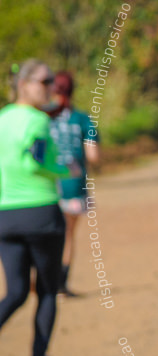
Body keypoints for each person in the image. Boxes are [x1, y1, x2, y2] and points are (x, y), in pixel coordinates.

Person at [0, 60, 75, 356]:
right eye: (45, 82)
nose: (51, 88)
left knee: (15, 292)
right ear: (25, 84)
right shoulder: (37, 121)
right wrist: (66, 169)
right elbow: (34, 162)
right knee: (46, 290)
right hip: (40, 212)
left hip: (6, 215)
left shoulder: (2, 119)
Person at [48, 71, 100, 296]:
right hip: (73, 185)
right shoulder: (82, 118)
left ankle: (42, 279)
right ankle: (61, 283)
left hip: (47, 185)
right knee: (67, 235)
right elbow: (93, 156)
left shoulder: (42, 117)